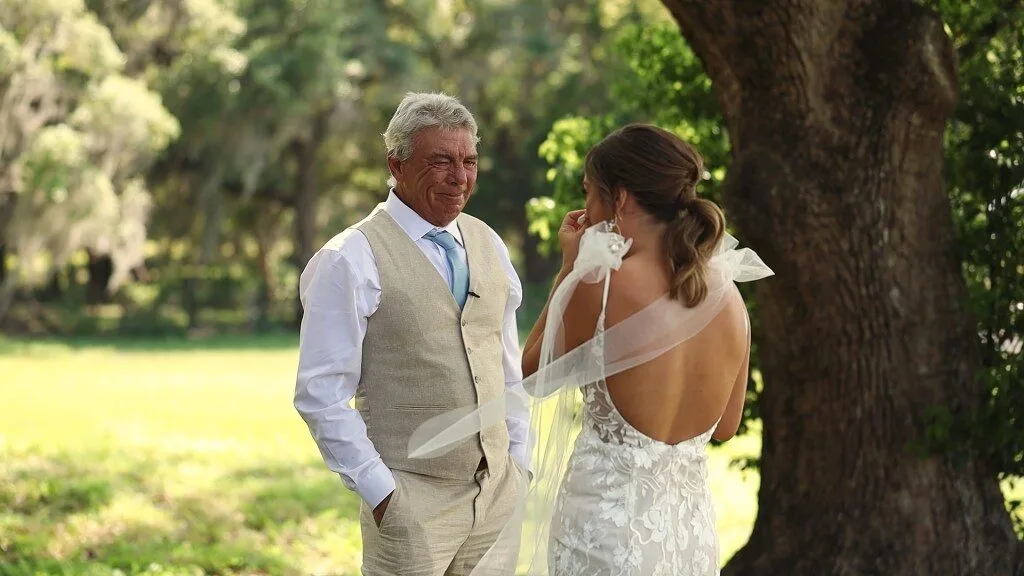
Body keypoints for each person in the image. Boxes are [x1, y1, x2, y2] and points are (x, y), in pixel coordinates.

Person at [293, 92, 530, 576]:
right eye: (440, 161)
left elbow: (506, 368)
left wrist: (520, 465)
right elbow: (320, 393)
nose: (459, 177)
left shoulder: (490, 244)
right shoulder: (349, 257)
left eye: (469, 161)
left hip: (499, 495)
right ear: (396, 165)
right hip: (410, 505)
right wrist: (382, 494)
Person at [520, 123, 773, 575]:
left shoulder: (599, 283)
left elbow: (534, 374)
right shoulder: (729, 295)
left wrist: (569, 269)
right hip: (688, 540)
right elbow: (727, 427)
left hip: (604, 539)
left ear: (619, 198)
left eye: (589, 193)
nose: (586, 209)